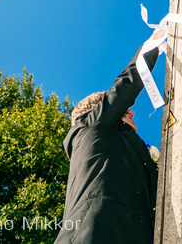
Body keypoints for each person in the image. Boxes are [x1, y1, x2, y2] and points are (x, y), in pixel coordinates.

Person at [55, 27, 165, 244]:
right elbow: (125, 87)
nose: (131, 111)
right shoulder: (90, 126)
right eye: (124, 110)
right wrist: (152, 44)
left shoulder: (124, 154)